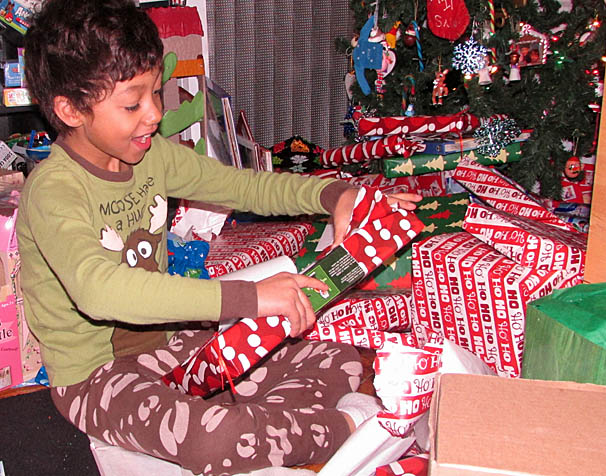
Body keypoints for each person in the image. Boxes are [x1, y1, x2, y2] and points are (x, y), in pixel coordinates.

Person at [17, 1, 420, 475]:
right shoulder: (53, 190)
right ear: (70, 109)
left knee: (334, 354)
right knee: (214, 438)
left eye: (155, 93)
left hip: (169, 347)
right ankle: (336, 429)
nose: (153, 115)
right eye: (133, 103)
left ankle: (275, 430)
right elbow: (100, 290)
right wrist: (246, 298)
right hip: (93, 380)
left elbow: (243, 184)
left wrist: (335, 193)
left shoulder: (150, 157)